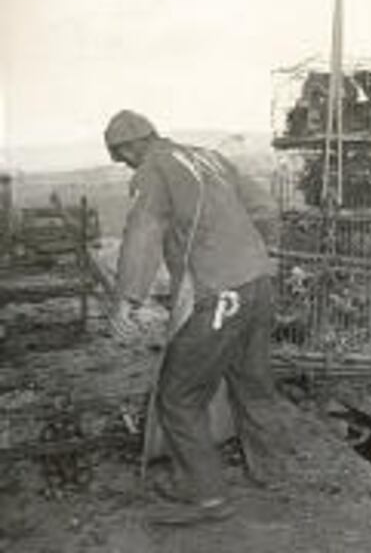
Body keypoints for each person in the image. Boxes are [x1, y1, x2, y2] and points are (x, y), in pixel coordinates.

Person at [104, 109, 279, 524]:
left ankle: (207, 496)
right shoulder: (208, 156)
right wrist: (246, 252)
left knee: (178, 396)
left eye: (122, 157)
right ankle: (272, 472)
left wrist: (127, 299)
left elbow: (144, 230)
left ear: (131, 146)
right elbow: (265, 207)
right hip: (257, 284)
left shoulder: (153, 169)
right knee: (252, 381)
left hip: (218, 295)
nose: (127, 165)